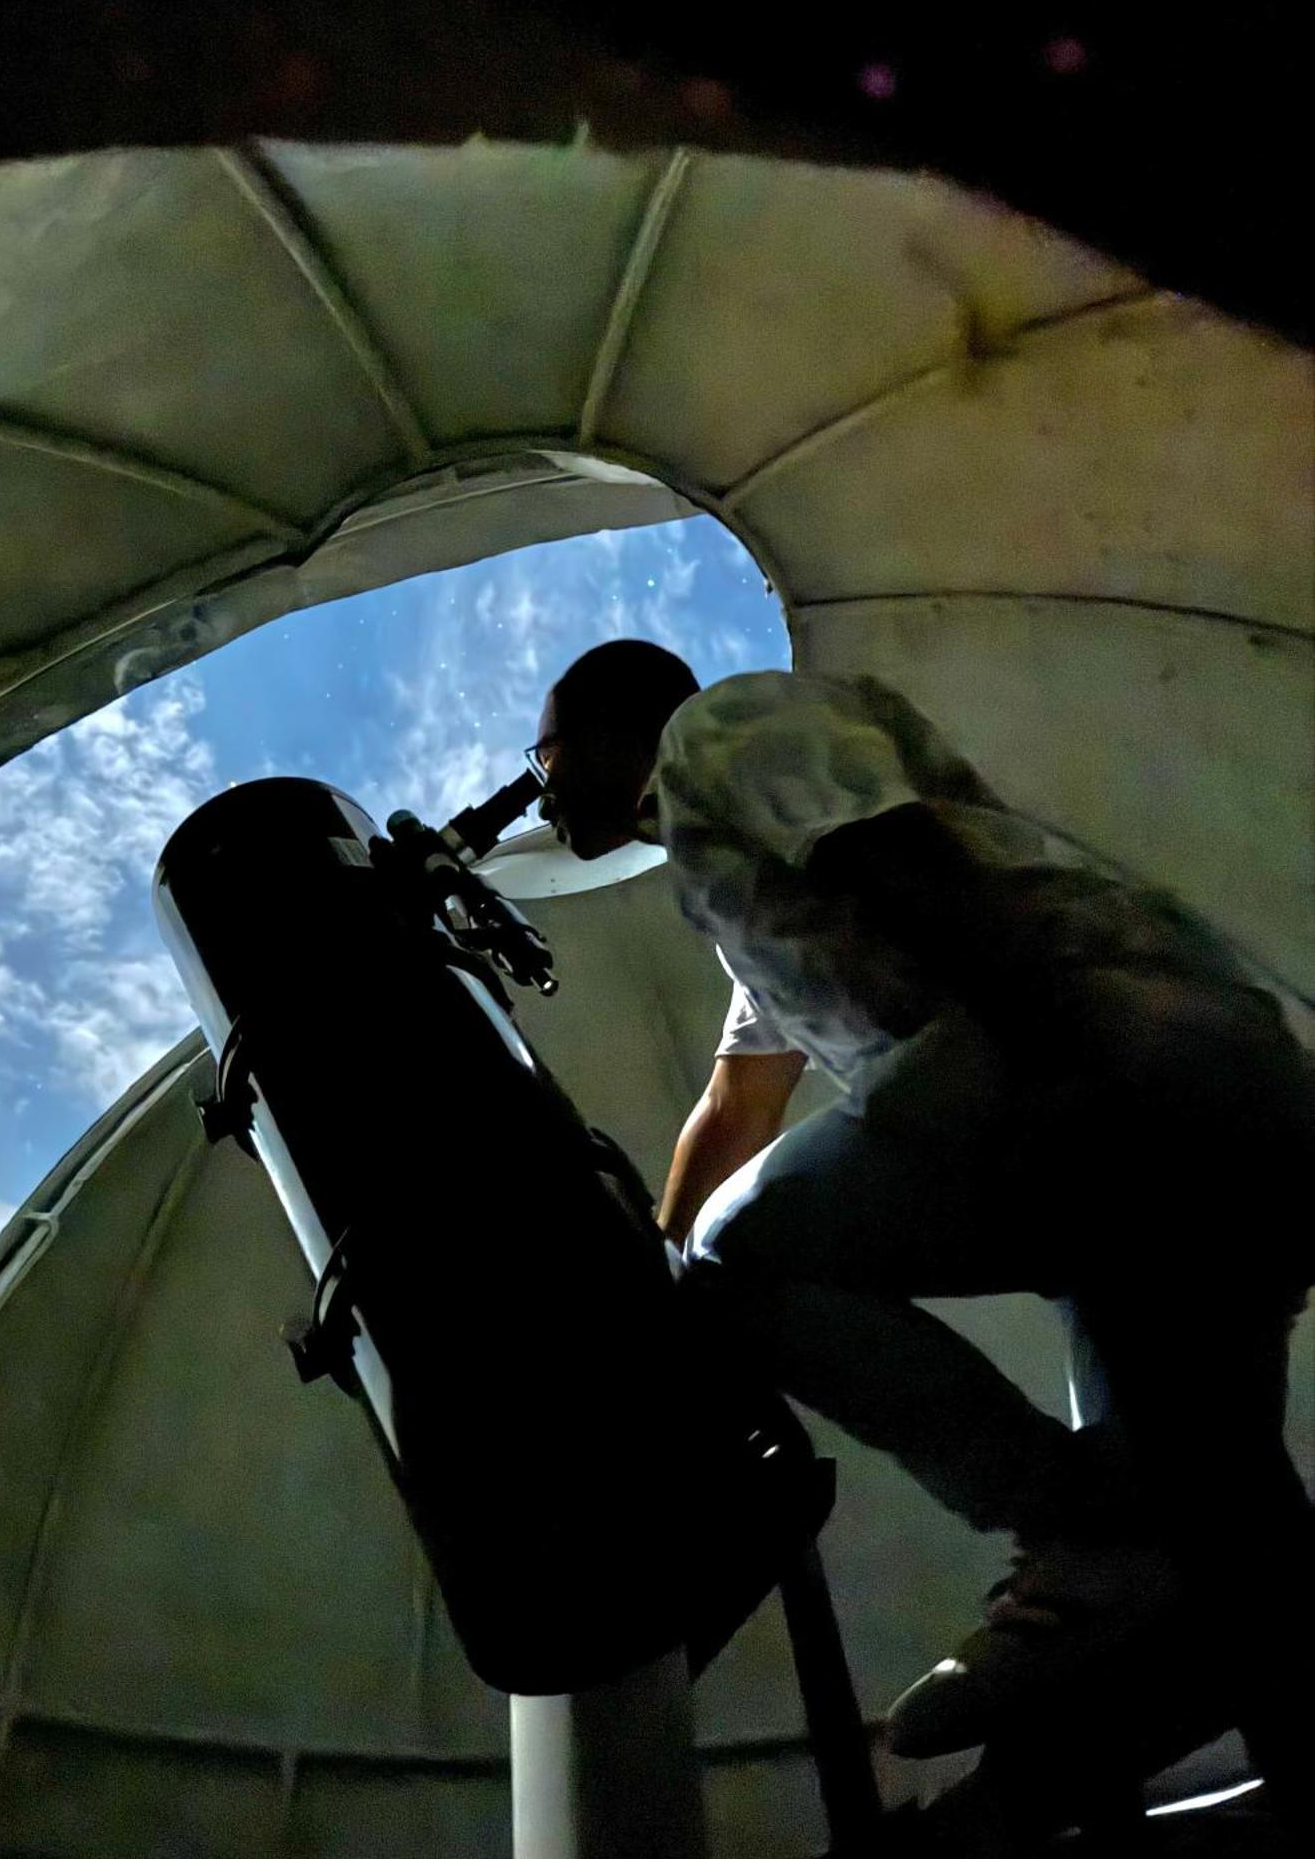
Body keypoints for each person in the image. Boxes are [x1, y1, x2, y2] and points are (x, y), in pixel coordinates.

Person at [528, 638, 1314, 1798]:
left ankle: (1081, 1525)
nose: (535, 786)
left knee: (737, 1260)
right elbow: (738, 1098)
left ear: (610, 726)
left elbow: (891, 852)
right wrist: (649, 1256)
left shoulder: (720, 731)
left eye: (541, 752)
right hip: (1199, 1115)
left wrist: (1068, 1060)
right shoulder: (766, 912)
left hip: (1113, 1050)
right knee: (1231, 1522)